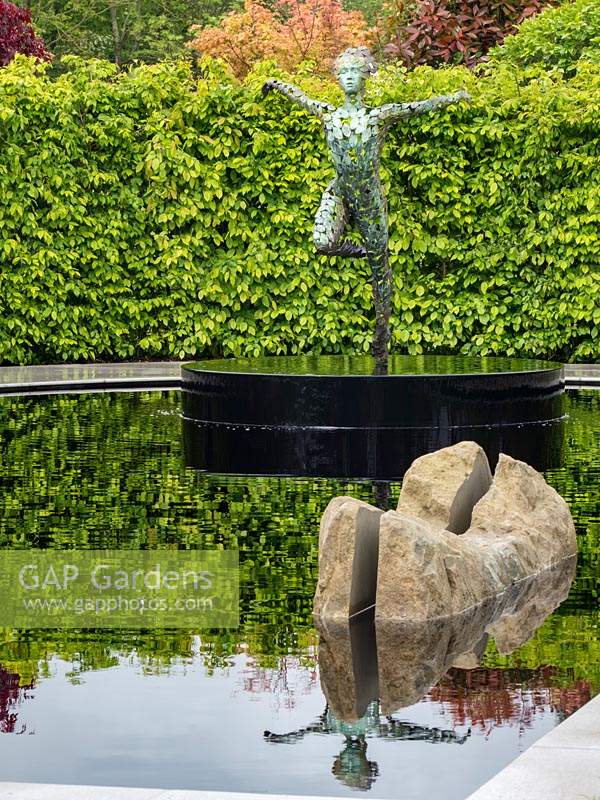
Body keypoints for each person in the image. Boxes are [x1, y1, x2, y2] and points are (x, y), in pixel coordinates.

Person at [263, 47, 470, 361]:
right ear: (337, 78)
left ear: (365, 77)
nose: (348, 78)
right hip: (340, 191)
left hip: (370, 198)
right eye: (343, 73)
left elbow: (418, 107)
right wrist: (277, 83)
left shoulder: (378, 116)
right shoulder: (328, 113)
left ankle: (382, 334)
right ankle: (357, 251)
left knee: (380, 269)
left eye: (354, 73)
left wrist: (454, 97)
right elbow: (300, 97)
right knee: (321, 241)